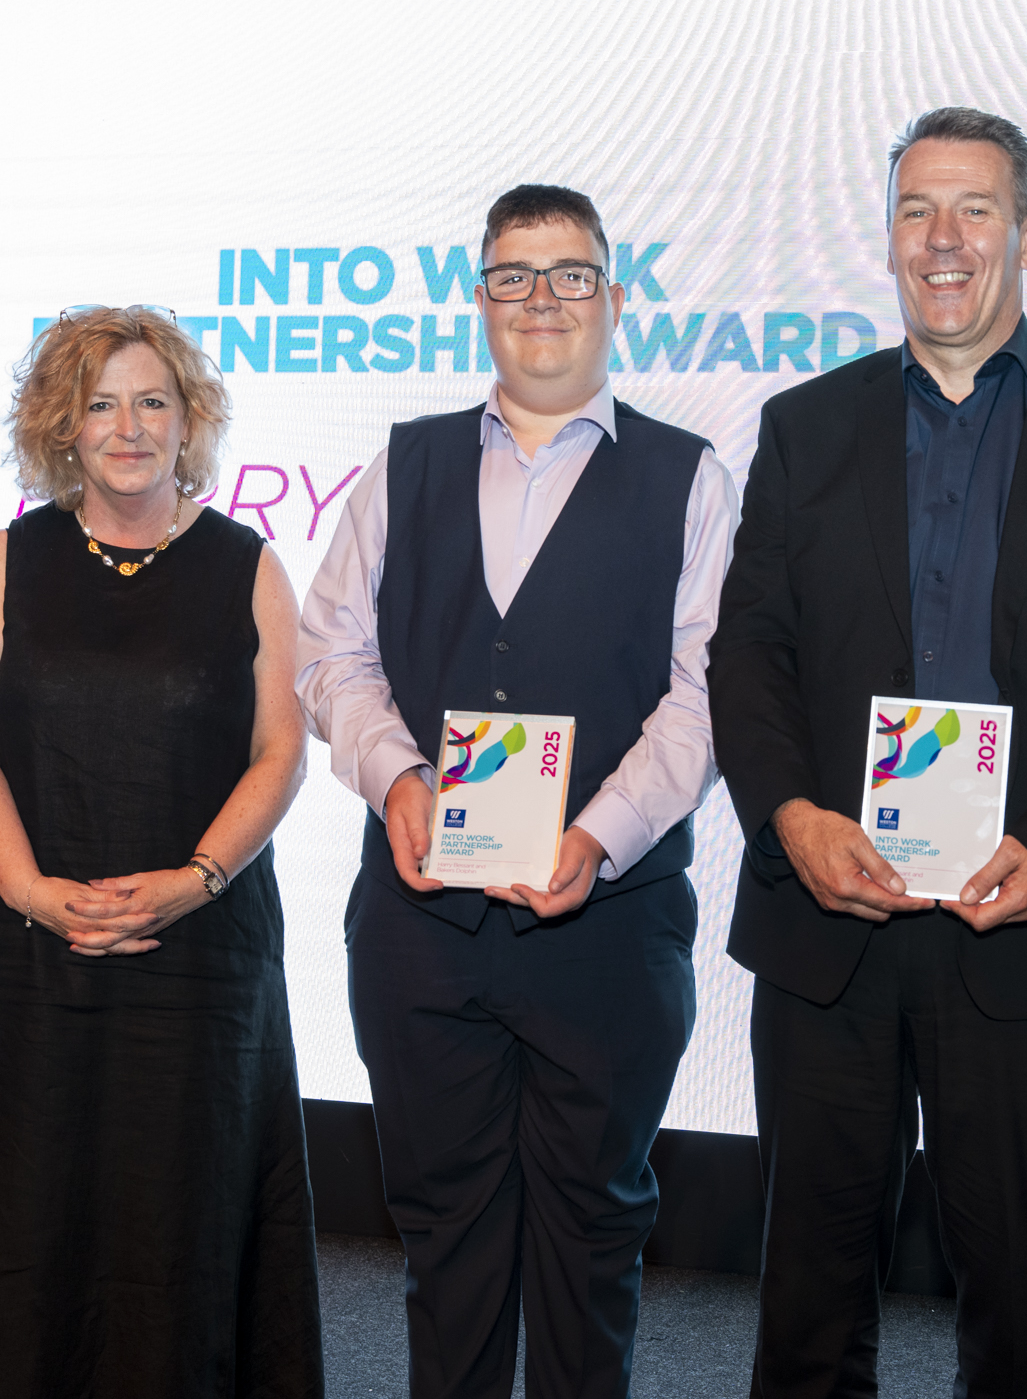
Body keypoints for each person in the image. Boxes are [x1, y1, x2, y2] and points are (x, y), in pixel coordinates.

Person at [710, 107, 1027, 1398]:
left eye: (975, 210)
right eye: (915, 210)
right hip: (830, 916)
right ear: (887, 237)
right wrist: (786, 814)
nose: (943, 240)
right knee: (809, 1292)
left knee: (1017, 1296)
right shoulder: (801, 425)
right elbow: (749, 652)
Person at [296, 184, 737, 1399]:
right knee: (446, 1245)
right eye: (514, 276)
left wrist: (597, 835)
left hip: (607, 932)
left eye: (570, 274)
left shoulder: (691, 479)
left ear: (613, 295)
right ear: (480, 300)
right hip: (422, 932)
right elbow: (331, 652)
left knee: (594, 1243)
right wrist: (394, 778)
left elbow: (704, 699)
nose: (543, 300)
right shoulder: (405, 461)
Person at [0, 306, 320, 1397]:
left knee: (180, 1223)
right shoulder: (1, 562)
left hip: (199, 957)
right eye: (99, 404)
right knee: (11, 1214)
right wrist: (33, 891)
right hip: (20, 953)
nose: (127, 427)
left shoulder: (248, 568)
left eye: (152, 401)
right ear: (62, 428)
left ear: (189, 420)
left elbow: (279, 752)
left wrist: (195, 880)